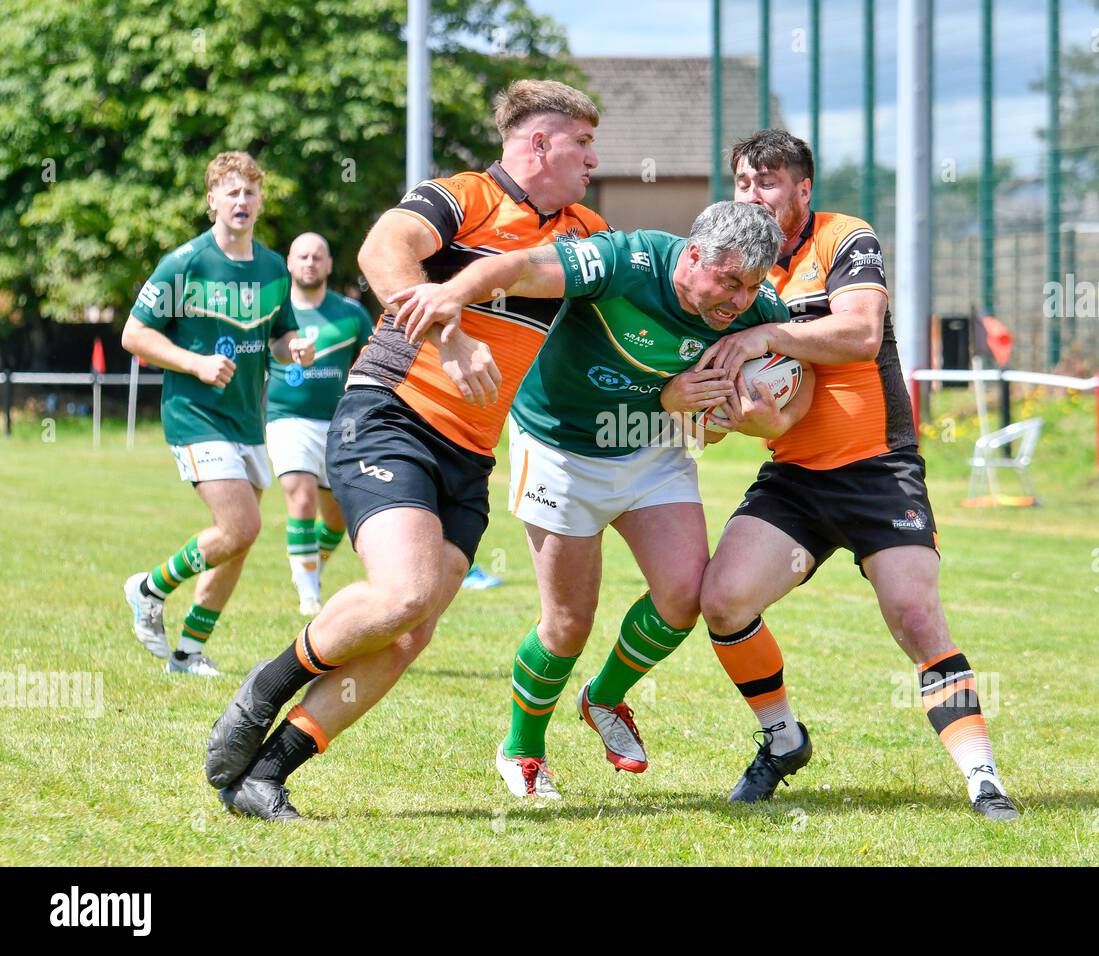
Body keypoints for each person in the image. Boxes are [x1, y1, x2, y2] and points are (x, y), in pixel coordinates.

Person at [204, 80, 606, 820]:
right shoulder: (463, 196)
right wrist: (448, 336)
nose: (593, 156)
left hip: (470, 455)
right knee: (404, 594)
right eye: (582, 142)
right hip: (391, 416)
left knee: (407, 634)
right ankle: (263, 689)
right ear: (539, 143)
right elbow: (382, 248)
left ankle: (266, 776)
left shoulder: (584, 230)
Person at [394, 201, 803, 800]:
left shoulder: (755, 314)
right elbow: (522, 267)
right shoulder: (623, 261)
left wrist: (733, 415)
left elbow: (783, 391)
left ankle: (605, 697)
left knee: (684, 598)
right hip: (562, 448)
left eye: (751, 288)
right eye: (729, 282)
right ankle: (523, 749)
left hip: (649, 452)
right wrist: (450, 295)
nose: (739, 302)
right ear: (692, 256)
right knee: (566, 624)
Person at [697, 129, 1017, 819]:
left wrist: (768, 334)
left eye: (769, 182)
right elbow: (732, 398)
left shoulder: (845, 237)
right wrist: (722, 412)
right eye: (744, 183)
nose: (753, 195)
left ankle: (983, 777)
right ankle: (782, 742)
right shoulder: (736, 272)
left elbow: (862, 333)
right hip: (795, 481)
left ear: (802, 190)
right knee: (722, 600)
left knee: (914, 615)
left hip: (879, 471)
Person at [121, 151, 315, 677]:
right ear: (212, 200)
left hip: (247, 421)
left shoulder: (275, 267)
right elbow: (133, 334)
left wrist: (296, 348)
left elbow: (280, 338)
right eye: (231, 192)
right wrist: (196, 363)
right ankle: (148, 588)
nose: (242, 201)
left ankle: (187, 654)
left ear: (260, 201)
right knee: (240, 525)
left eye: (250, 192)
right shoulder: (184, 262)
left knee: (238, 541)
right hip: (194, 414)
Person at [266, 232, 372, 615]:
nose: (310, 262)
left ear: (328, 265)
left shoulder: (350, 313)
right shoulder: (274, 315)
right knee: (301, 496)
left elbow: (372, 361)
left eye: (318, 257)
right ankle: (309, 596)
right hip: (286, 419)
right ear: (290, 264)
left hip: (340, 424)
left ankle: (312, 567)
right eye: (302, 256)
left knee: (338, 518)